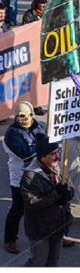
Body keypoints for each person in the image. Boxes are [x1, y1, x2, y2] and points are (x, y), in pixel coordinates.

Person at [21, 135, 74, 267]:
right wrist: (57, 193)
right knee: (38, 262)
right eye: (53, 154)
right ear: (42, 157)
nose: (57, 156)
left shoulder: (59, 168)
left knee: (53, 261)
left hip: (58, 224)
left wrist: (67, 193)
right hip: (40, 228)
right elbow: (33, 203)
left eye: (58, 152)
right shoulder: (30, 176)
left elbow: (70, 189)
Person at [2, 102, 47, 254]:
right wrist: (43, 147)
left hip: (42, 175)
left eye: (28, 115)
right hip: (20, 177)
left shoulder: (41, 126)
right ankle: (10, 239)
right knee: (18, 209)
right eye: (21, 116)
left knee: (46, 206)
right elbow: (25, 152)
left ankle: (53, 235)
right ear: (16, 116)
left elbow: (51, 145)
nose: (25, 118)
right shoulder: (11, 134)